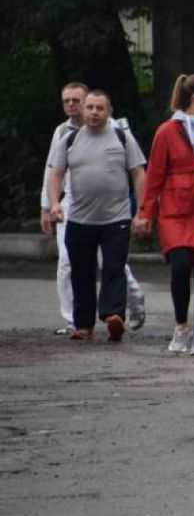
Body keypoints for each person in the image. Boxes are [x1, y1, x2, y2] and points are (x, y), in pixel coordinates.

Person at [40, 82, 145, 335]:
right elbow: (55, 174)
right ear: (84, 110)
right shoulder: (69, 138)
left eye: (100, 108)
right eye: (90, 107)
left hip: (116, 217)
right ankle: (83, 325)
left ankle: (114, 315)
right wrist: (53, 204)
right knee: (80, 272)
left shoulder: (122, 136)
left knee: (114, 267)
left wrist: (141, 212)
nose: (94, 112)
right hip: (79, 218)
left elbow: (139, 174)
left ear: (109, 110)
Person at [134, 74, 194, 355]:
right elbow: (154, 175)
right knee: (180, 266)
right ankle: (180, 325)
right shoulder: (167, 131)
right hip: (176, 210)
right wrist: (145, 212)